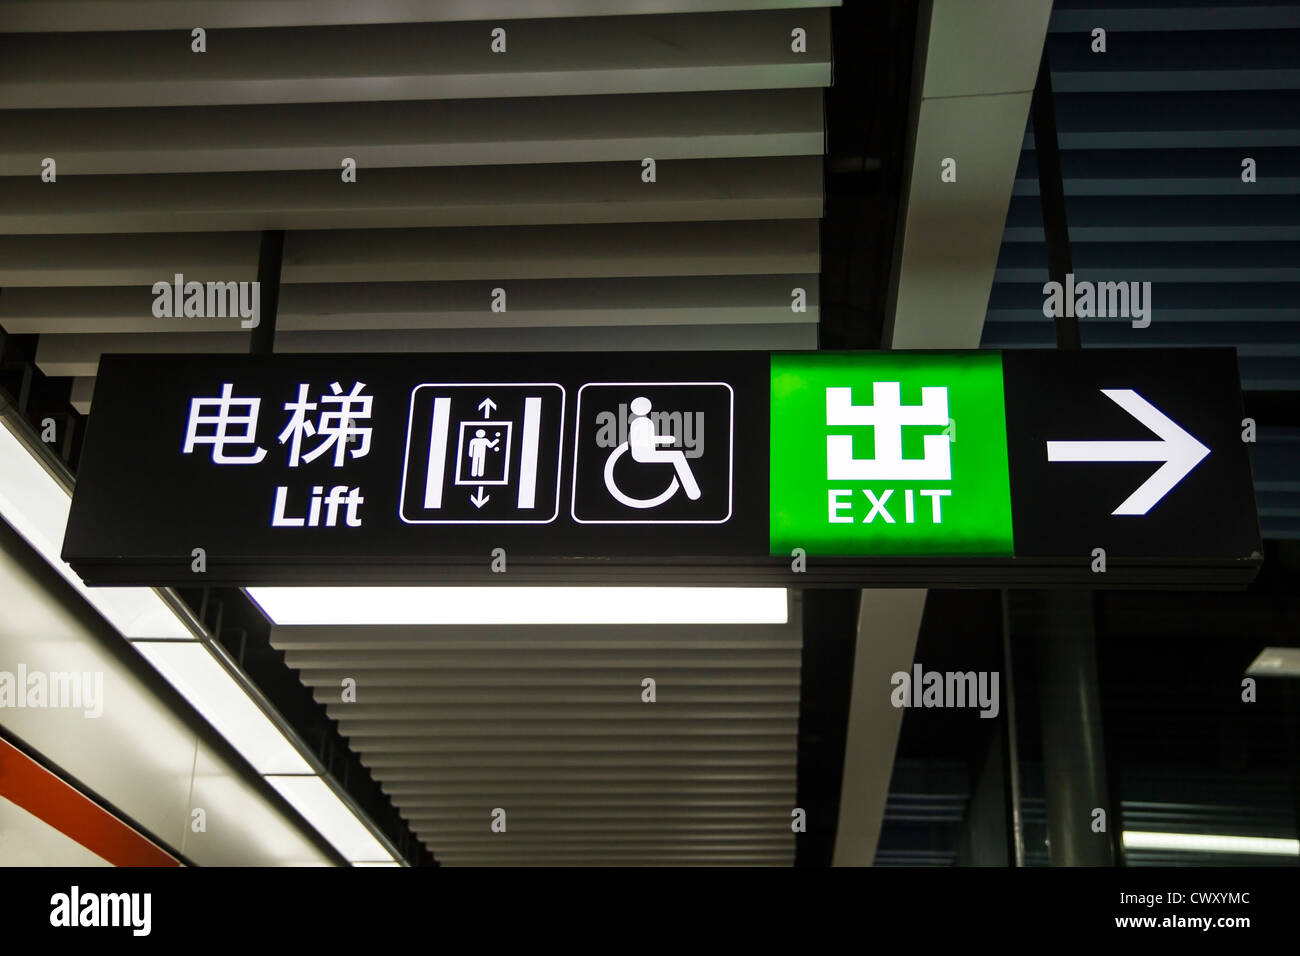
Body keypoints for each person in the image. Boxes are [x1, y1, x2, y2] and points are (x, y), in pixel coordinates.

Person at [627, 396, 701, 500]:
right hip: (643, 455)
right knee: (677, 455)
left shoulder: (643, 422)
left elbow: (646, 440)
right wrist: (668, 439)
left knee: (677, 455)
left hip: (647, 452)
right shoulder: (642, 423)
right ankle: (692, 490)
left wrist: (667, 439)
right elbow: (644, 441)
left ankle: (692, 489)